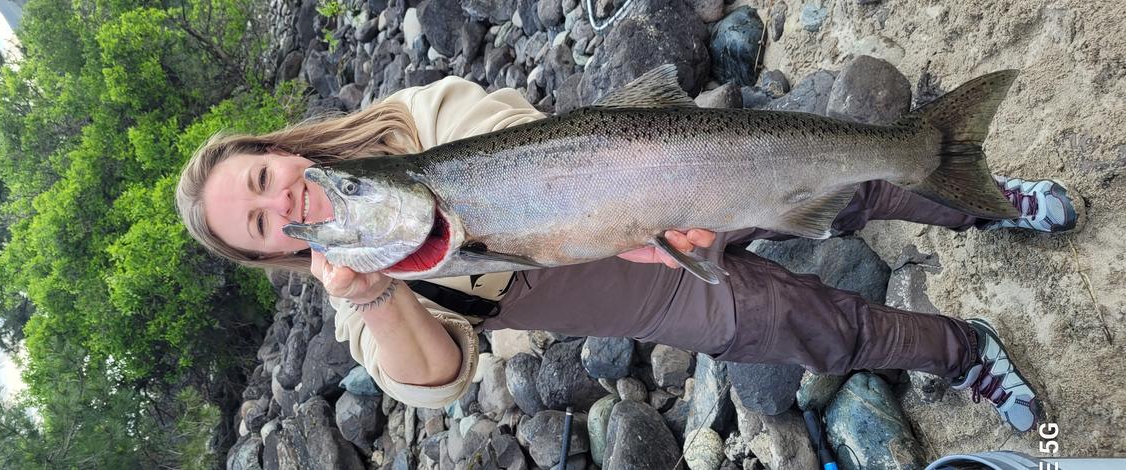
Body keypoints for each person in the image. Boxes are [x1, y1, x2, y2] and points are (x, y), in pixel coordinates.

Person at [175, 76, 1083, 433]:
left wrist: (638, 217)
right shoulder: (354, 278)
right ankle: (967, 354)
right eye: (258, 223)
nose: (278, 202)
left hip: (635, 191)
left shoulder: (415, 122)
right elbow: (435, 382)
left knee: (842, 184)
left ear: (277, 149)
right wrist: (377, 295)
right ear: (271, 253)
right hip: (634, 298)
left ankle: (980, 193)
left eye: (260, 178)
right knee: (795, 324)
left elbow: (515, 135)